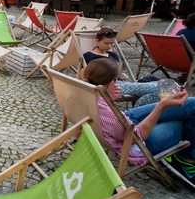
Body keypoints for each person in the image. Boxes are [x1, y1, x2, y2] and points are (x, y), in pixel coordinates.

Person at [83, 58, 195, 188]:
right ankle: (185, 160)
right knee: (183, 121)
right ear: (110, 83)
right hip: (137, 143)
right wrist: (161, 106)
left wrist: (108, 98)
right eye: (116, 80)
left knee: (191, 105)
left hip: (125, 119)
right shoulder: (106, 114)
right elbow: (136, 137)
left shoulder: (83, 92)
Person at [82, 27, 159, 107]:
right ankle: (136, 111)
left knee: (164, 85)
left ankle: (138, 108)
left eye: (112, 43)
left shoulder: (113, 55)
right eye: (106, 43)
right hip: (108, 86)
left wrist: (120, 75)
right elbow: (84, 77)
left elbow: (115, 71)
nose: (109, 46)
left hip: (121, 83)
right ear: (97, 40)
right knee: (161, 88)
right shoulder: (88, 56)